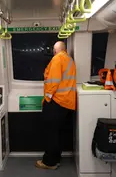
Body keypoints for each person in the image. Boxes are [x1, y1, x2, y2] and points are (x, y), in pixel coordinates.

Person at [35, 41, 77, 169]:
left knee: (50, 133)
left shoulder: (57, 59)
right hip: (66, 102)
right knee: (57, 133)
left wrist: (47, 98)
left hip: (56, 101)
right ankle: (56, 158)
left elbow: (53, 81)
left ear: (55, 50)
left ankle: (49, 162)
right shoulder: (69, 60)